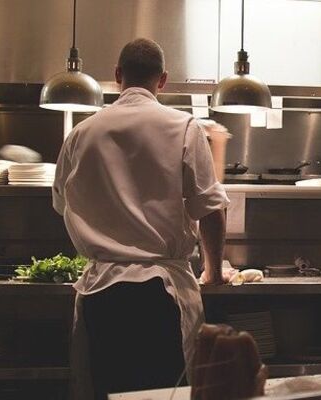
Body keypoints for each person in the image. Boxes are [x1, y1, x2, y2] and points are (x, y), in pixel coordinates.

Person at [52, 38, 230, 399]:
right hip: (159, 293)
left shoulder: (80, 133)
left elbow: (61, 203)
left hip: (101, 293)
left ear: (118, 75)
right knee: (165, 395)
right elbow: (210, 208)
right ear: (162, 80)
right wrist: (212, 273)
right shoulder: (183, 126)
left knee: (108, 393)